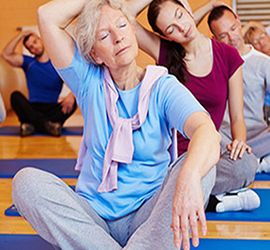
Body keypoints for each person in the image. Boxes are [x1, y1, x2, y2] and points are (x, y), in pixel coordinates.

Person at [12, 0, 221, 249]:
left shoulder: (163, 87)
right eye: (104, 35)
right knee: (25, 183)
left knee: (202, 164)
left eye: (123, 25)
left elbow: (206, 130)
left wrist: (189, 176)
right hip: (93, 218)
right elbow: (46, 16)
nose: (118, 37)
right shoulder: (88, 82)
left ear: (133, 31)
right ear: (95, 55)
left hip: (148, 218)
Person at [128, 0, 259, 213]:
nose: (182, 28)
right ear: (167, 36)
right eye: (171, 29)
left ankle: (197, 196)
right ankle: (213, 200)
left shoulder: (228, 55)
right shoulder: (165, 52)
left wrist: (239, 142)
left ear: (188, 9)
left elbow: (237, 118)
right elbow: (123, 15)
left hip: (205, 150)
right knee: (155, 180)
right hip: (170, 158)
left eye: (180, 15)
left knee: (246, 165)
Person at [208, 6, 270, 174]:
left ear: (238, 22)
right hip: (226, 138)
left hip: (258, 136)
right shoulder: (212, 63)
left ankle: (256, 164)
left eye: (234, 29)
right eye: (223, 36)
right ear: (214, 38)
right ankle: (251, 163)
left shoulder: (263, 62)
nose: (232, 38)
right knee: (206, 138)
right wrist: (210, 4)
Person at [1, 31, 77, 137]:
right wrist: (21, 35)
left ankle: (31, 125)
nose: (34, 47)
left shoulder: (57, 65)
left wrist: (71, 96)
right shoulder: (28, 63)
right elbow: (6, 54)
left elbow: (77, 84)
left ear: (41, 40)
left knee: (74, 102)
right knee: (15, 96)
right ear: (30, 51)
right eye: (30, 47)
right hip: (32, 108)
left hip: (51, 109)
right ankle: (48, 126)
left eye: (35, 42)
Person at [242, 22, 270, 125]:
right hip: (262, 113)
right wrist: (249, 24)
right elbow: (235, 41)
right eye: (256, 41)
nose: (261, 42)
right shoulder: (255, 64)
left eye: (262, 36)